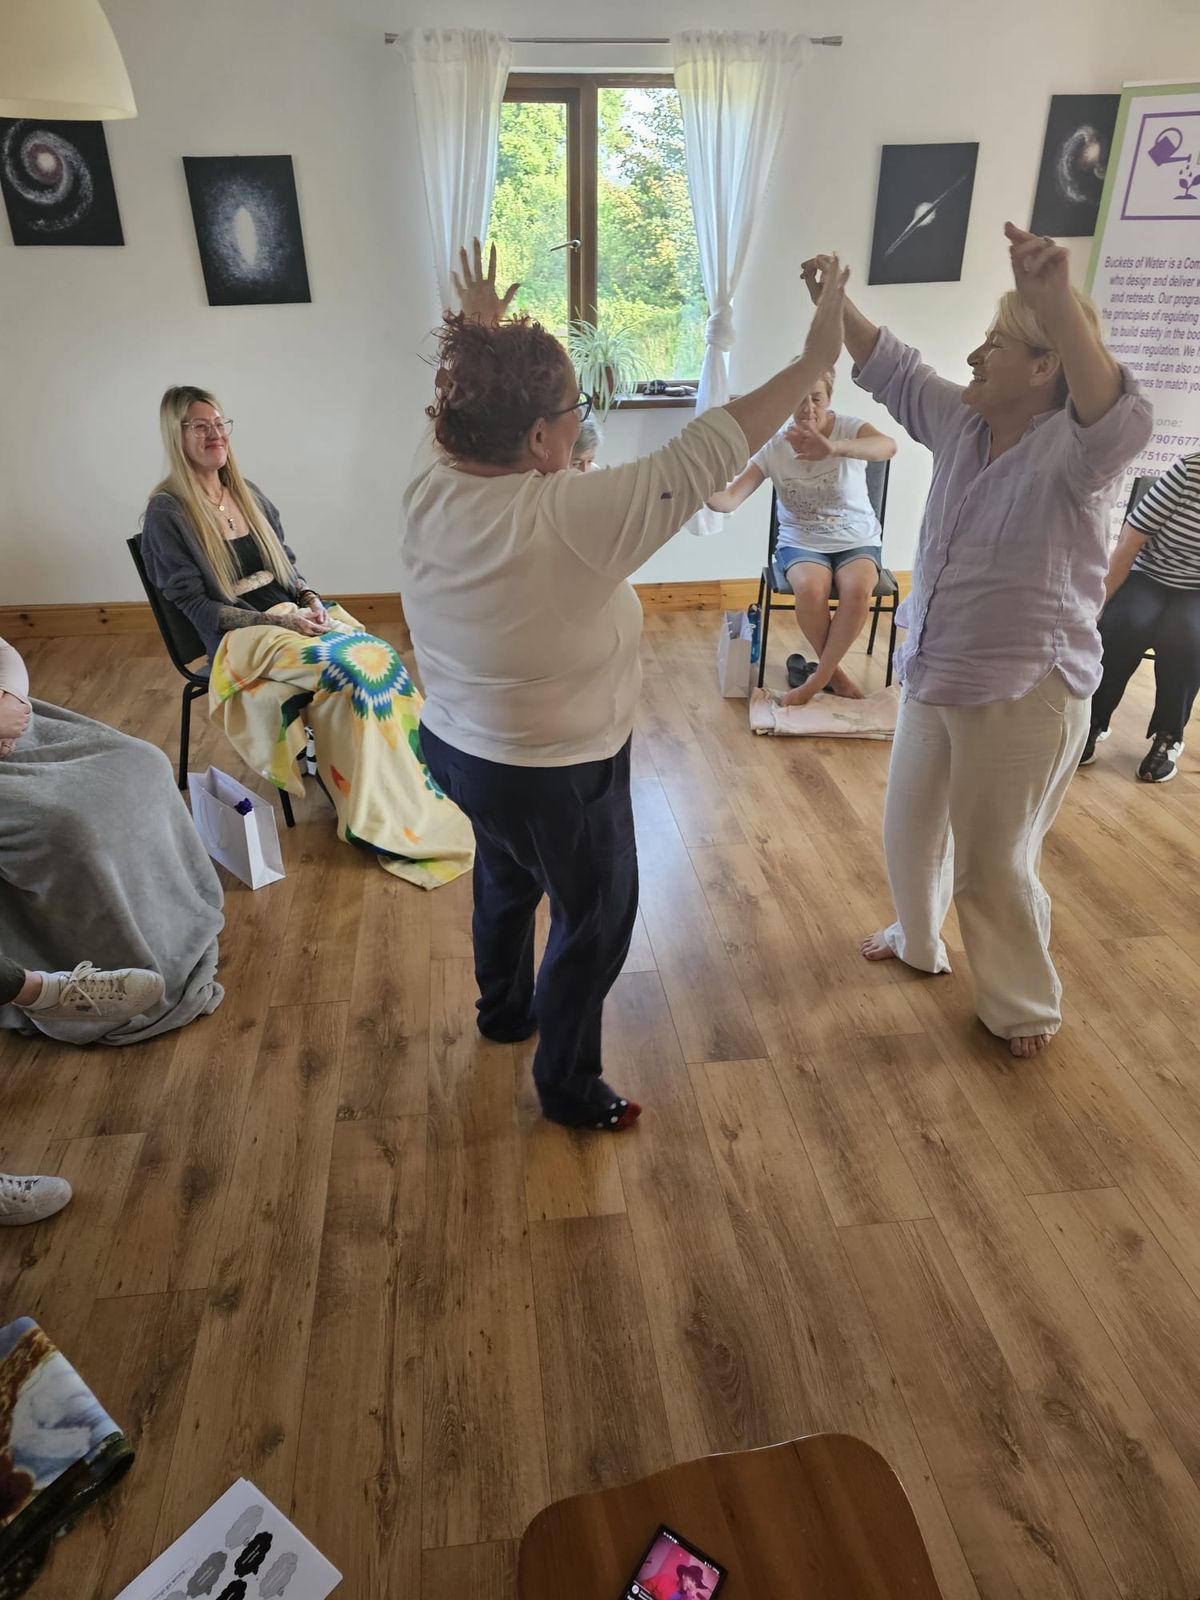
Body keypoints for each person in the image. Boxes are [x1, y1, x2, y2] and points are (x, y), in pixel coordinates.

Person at [401, 239, 847, 1131]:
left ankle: (504, 1014)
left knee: (504, 873)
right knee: (597, 918)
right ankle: (566, 1088)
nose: (581, 426)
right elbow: (709, 445)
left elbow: (472, 401)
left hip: (458, 746)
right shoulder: (568, 512)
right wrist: (814, 359)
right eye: (573, 412)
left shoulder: (433, 470)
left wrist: (484, 327)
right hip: (558, 770)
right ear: (537, 437)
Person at [811, 224, 1153, 1059]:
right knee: (910, 828)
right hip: (938, 666)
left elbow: (1124, 419)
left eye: (995, 345)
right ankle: (919, 940)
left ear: (1045, 368)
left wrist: (1055, 304)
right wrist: (834, 300)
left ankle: (1024, 1006)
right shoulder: (962, 425)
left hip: (1027, 688)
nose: (973, 357)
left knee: (994, 862)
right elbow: (893, 366)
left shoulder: (1077, 453)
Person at [140, 387, 474, 888]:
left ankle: (405, 790)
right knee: (355, 667)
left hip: (289, 618)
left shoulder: (246, 492)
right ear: (176, 434)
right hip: (242, 639)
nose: (215, 434)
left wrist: (310, 598)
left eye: (219, 422)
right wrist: (281, 622)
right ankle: (376, 814)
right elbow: (195, 608)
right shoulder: (168, 513)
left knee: (380, 656)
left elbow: (288, 568)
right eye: (199, 426)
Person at [0, 634, 224, 1048]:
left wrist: (10, 698)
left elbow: (4, 652)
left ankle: (173, 923)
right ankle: (72, 982)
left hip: (12, 724)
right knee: (72, 828)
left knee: (144, 761)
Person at [708, 369, 896, 702]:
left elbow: (887, 446)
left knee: (858, 589)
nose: (808, 407)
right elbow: (730, 498)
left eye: (816, 397)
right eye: (798, 398)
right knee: (810, 588)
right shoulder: (774, 446)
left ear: (829, 398)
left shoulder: (849, 428)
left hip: (856, 538)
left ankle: (814, 681)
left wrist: (835, 448)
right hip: (801, 541)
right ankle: (834, 677)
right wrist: (694, 486)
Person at [1081, 451, 1200, 782]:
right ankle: (1092, 722)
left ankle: (1168, 737)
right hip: (1148, 571)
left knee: (1188, 635)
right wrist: (1097, 606)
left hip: (1197, 590)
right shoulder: (1190, 469)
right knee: (1126, 623)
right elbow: (1130, 542)